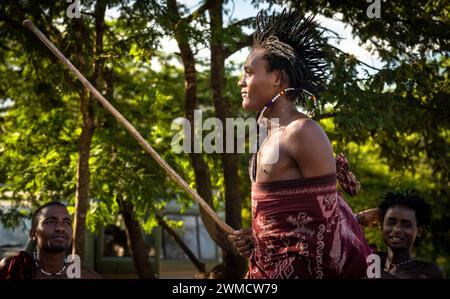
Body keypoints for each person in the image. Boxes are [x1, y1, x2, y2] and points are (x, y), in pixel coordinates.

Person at [228, 9, 371, 279]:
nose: (241, 81)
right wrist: (256, 239)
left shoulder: (303, 131)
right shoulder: (267, 135)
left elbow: (328, 228)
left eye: (249, 73)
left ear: (278, 79)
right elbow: (288, 223)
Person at [0, 201, 101, 279]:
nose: (60, 228)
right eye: (50, 222)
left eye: (67, 223)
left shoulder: (86, 276)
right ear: (33, 234)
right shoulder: (14, 268)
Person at [377, 190, 445, 279]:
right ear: (381, 226)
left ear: (419, 231)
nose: (397, 229)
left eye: (406, 224)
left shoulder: (429, 273)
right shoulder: (368, 261)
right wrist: (359, 217)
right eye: (391, 222)